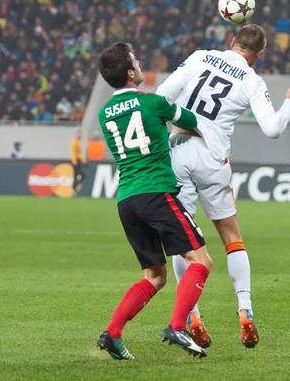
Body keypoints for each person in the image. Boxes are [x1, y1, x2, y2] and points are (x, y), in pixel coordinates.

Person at [156, 24, 290, 348]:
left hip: (178, 151)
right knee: (232, 238)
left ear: (232, 41)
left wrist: (181, 119)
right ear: (260, 55)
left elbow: (160, 98)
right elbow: (273, 129)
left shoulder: (199, 57)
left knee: (185, 239)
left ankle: (192, 316)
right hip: (212, 161)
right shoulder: (252, 81)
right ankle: (245, 310)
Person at [96, 42, 213, 360]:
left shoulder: (104, 113)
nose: (140, 62)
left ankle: (113, 334)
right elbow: (189, 119)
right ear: (131, 73)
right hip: (156, 192)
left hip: (127, 199)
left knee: (155, 276)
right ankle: (177, 326)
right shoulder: (154, 103)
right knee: (200, 261)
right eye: (136, 60)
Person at [70, 130, 87, 196]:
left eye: (81, 135)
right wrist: (74, 161)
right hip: (75, 161)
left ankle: (74, 189)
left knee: (81, 175)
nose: (80, 136)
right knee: (77, 175)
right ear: (77, 135)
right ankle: (74, 189)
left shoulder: (79, 143)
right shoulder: (73, 142)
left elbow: (79, 153)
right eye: (79, 134)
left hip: (79, 161)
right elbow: (73, 153)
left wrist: (84, 161)